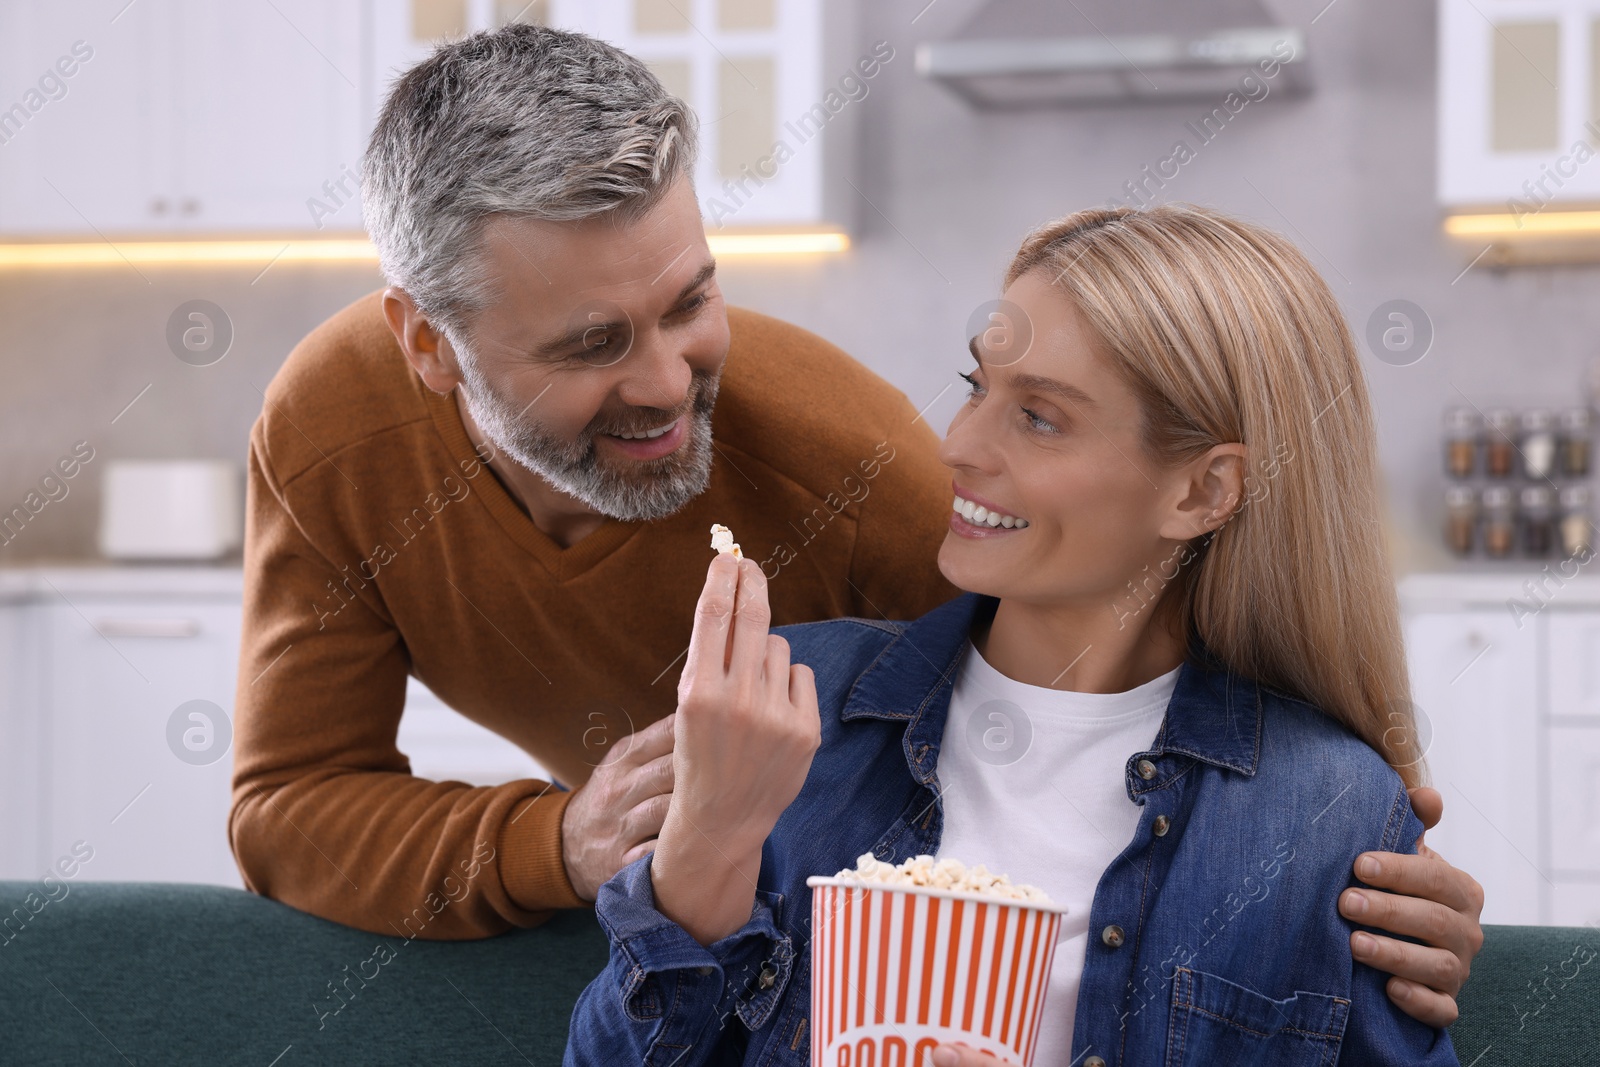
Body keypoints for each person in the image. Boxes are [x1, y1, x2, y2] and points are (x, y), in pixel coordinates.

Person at [229, 22, 1479, 1021]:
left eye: (690, 301)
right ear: (426, 344)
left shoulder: (858, 473)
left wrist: (1361, 853)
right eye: (593, 342)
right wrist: (567, 843)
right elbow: (285, 803)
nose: (666, 380)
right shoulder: (331, 432)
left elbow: (1109, 652)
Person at [566, 204, 1469, 1065]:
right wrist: (705, 851)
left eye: (1038, 416)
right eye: (976, 387)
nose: (958, 443)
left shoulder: (1327, 812)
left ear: (1201, 491)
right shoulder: (790, 705)